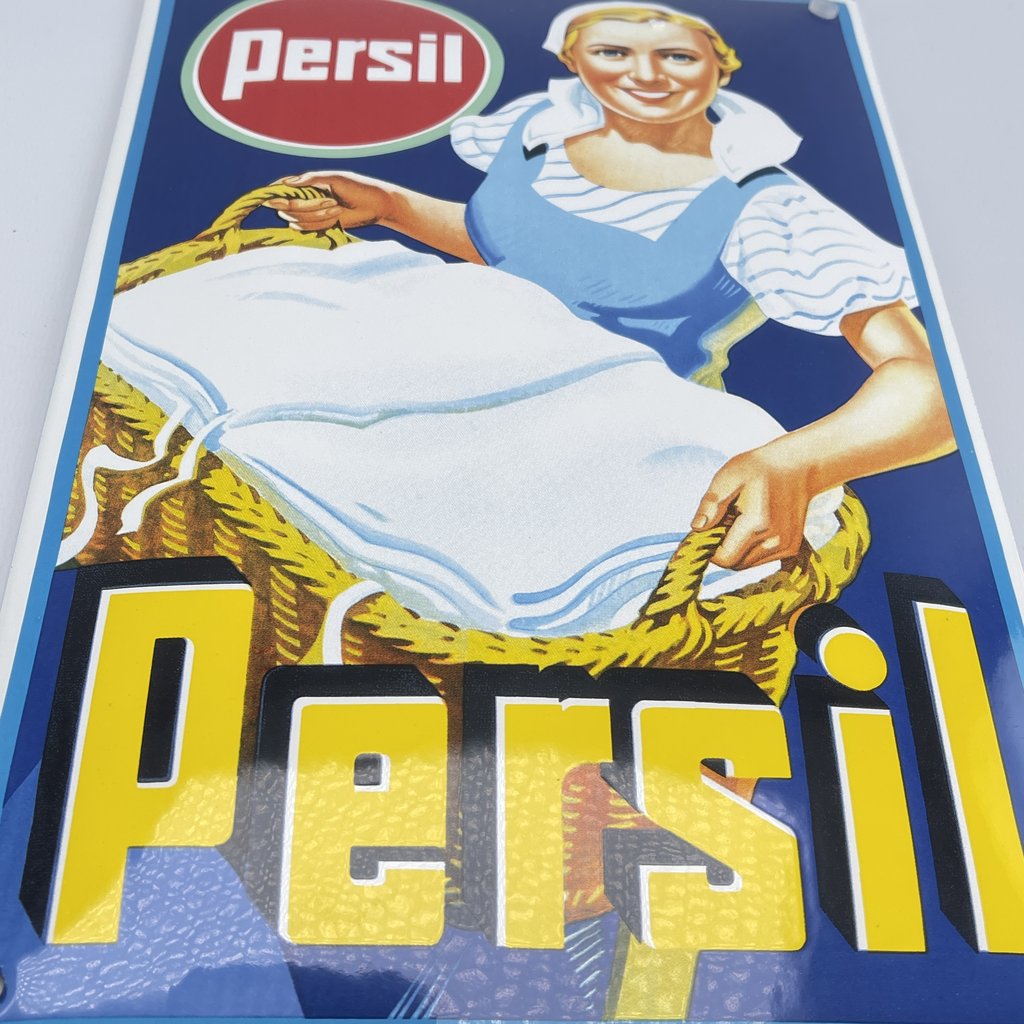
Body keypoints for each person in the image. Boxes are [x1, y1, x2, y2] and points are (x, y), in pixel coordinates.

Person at [267, 2, 955, 573]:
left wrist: (797, 462)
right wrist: (391, 206)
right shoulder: (536, 134)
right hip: (461, 397)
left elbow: (929, 387)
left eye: (676, 56)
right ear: (574, 60)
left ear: (721, 65)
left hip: (613, 458)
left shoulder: (767, 206)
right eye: (612, 52)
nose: (645, 75)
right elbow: (523, 258)